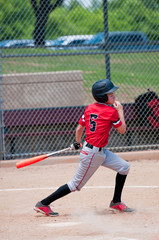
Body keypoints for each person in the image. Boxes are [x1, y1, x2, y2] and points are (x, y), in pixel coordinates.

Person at [34, 79, 134, 216]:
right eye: (111, 95)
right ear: (103, 97)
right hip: (93, 154)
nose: (114, 96)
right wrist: (120, 111)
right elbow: (122, 130)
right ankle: (44, 204)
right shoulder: (111, 112)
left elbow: (79, 129)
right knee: (75, 185)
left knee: (124, 167)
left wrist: (77, 142)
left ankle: (116, 202)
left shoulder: (89, 108)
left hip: (96, 150)